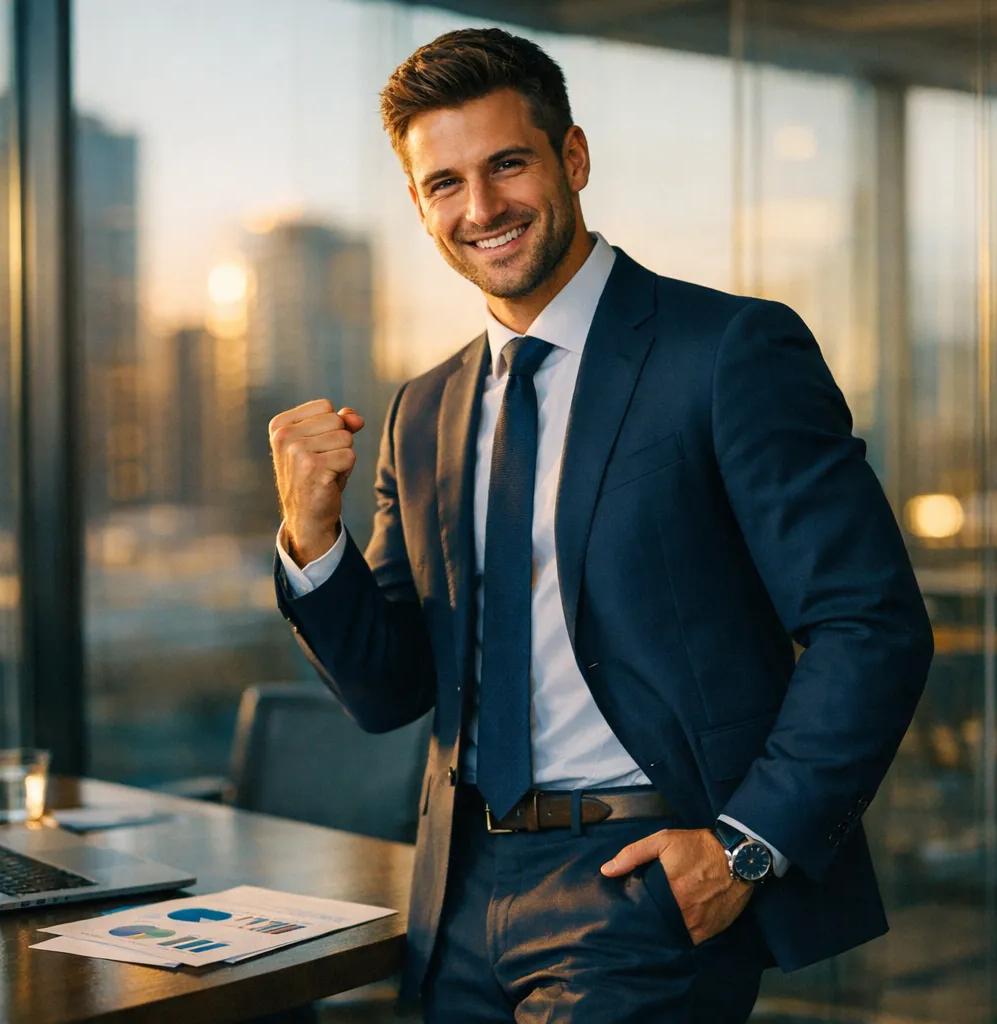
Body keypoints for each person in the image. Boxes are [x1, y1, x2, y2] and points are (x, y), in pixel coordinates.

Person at [268, 26, 932, 1023]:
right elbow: (390, 688)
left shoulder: (728, 352)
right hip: (457, 890)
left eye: (507, 164)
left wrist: (745, 847)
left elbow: (869, 624)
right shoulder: (424, 409)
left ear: (572, 158)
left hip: (643, 883)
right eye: (445, 183)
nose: (481, 208)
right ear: (418, 204)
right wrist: (312, 537)